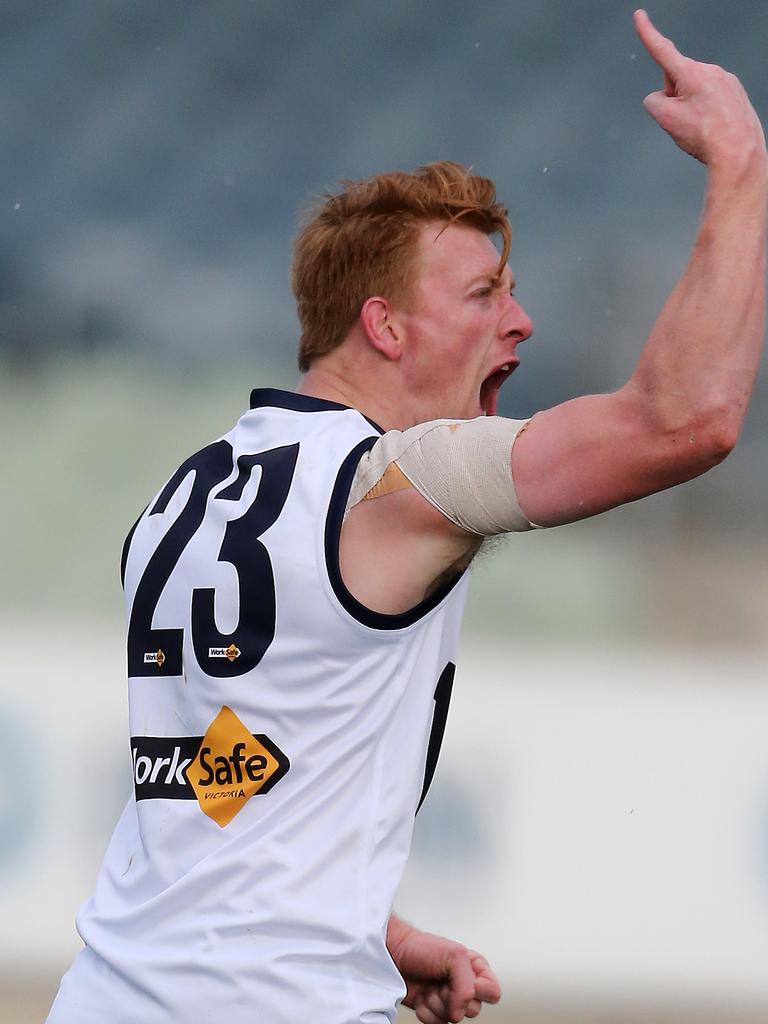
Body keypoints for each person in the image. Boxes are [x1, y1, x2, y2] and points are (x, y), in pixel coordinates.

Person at [46, 10, 766, 1024]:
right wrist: (741, 160)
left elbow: (226, 775)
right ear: (383, 324)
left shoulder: (187, 494)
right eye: (483, 295)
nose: (520, 322)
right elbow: (684, 420)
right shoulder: (394, 481)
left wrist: (366, 929)